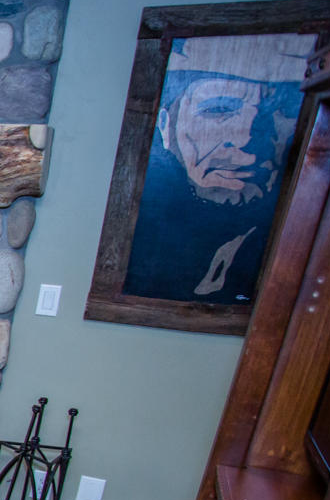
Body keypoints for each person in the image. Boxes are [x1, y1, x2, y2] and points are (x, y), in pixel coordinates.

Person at [123, 33, 312, 305]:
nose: (246, 138)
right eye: (220, 109)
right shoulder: (144, 237)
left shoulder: (297, 253)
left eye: (279, 112)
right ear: (165, 125)